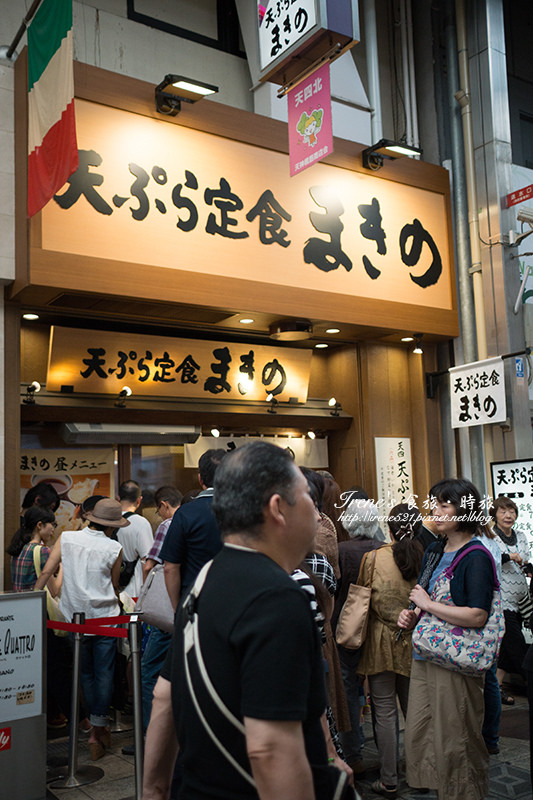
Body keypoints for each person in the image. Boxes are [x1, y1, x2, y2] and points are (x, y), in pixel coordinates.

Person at [142, 441, 354, 800]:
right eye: (309, 500)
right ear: (278, 508)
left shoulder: (205, 580)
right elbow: (271, 750)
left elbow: (165, 696)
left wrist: (153, 790)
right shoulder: (278, 598)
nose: (318, 516)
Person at [397, 478, 498, 800]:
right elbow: (425, 600)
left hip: (458, 661)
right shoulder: (434, 549)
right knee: (425, 731)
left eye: (444, 505)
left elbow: (477, 615)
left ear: (464, 509)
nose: (436, 512)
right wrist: (412, 613)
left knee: (458, 738)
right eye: (434, 504)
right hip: (428, 653)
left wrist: (428, 605)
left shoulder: (477, 556)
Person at [35, 498, 127, 760]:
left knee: (85, 672)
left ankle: (97, 728)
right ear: (111, 526)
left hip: (74, 617)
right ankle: (98, 730)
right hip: (105, 618)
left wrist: (32, 596)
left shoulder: (67, 539)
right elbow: (114, 584)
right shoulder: (114, 547)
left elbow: (47, 572)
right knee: (104, 672)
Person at [357, 503, 424, 797]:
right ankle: (422, 775)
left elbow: (362, 599)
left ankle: (388, 778)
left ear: (390, 527)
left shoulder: (373, 558)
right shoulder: (428, 557)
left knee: (384, 713)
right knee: (417, 711)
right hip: (416, 641)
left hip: (382, 641)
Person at [333, 498, 383, 775]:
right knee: (381, 692)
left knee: (349, 690)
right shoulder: (384, 550)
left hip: (346, 628)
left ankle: (352, 753)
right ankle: (388, 754)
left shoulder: (342, 550)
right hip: (378, 628)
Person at [161, 449, 226, 611]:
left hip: (195, 604)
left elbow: (170, 568)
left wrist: (177, 610)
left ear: (200, 478)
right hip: (238, 604)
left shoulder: (185, 513)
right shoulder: (248, 510)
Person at [490, 496, 530, 705]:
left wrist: (528, 568)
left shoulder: (521, 535)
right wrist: (509, 557)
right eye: (503, 511)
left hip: (521, 600)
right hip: (501, 601)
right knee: (517, 646)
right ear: (494, 514)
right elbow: (490, 560)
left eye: (512, 511)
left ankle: (495, 690)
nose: (508, 515)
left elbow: (524, 560)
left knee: (505, 651)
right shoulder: (489, 536)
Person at [117, 480, 154, 598]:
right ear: (139, 500)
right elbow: (147, 562)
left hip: (108, 588)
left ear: (118, 498)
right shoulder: (141, 523)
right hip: (132, 590)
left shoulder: (105, 520)